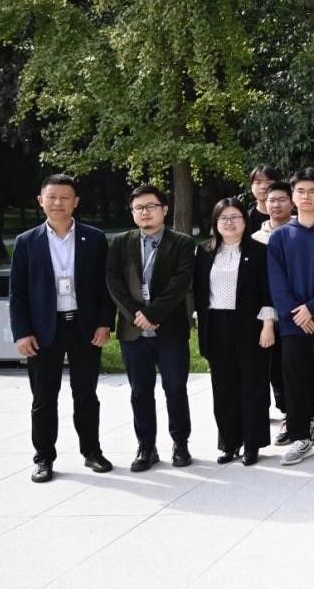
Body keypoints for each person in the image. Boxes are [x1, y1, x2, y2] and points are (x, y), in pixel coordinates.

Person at [10, 174, 115, 483]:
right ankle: (43, 458)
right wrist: (22, 332)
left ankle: (92, 451)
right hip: (43, 330)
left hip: (84, 327)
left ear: (76, 202)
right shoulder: (27, 242)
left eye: (65, 197)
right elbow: (18, 293)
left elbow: (105, 287)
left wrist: (105, 323)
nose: (58, 203)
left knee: (86, 395)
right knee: (44, 398)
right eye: (52, 197)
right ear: (41, 201)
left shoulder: (94, 238)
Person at [106, 185, 196, 472]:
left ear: (164, 209)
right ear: (133, 212)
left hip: (170, 329)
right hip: (134, 332)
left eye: (151, 206)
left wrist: (153, 313)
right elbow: (114, 283)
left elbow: (181, 282)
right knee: (140, 391)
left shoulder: (182, 243)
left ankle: (180, 443)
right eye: (139, 208)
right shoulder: (120, 242)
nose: (145, 212)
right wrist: (137, 315)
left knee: (175, 389)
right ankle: (146, 447)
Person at [194, 199, 275, 466]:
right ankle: (229, 443)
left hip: (251, 324)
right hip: (216, 325)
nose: (229, 223)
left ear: (244, 220)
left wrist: (268, 324)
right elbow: (198, 292)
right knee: (223, 387)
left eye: (235, 217)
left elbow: (267, 290)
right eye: (223, 218)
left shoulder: (259, 251)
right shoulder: (204, 252)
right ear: (215, 223)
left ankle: (252, 444)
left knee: (253, 386)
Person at [267, 168, 314, 466]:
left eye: (312, 191)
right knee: (296, 383)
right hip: (292, 325)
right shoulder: (280, 236)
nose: (306, 197)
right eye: (300, 192)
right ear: (293, 197)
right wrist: (297, 313)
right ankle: (300, 437)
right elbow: (276, 282)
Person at [251, 180, 293, 442]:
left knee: (298, 368)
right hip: (267, 313)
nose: (275, 204)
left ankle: (307, 415)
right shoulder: (256, 237)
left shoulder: (299, 231)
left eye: (281, 199)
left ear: (292, 202)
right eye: (271, 200)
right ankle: (287, 414)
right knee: (275, 368)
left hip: (298, 311)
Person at [247, 164, 282, 231]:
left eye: (268, 182)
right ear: (252, 187)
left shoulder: (292, 216)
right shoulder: (246, 219)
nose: (263, 186)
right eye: (258, 183)